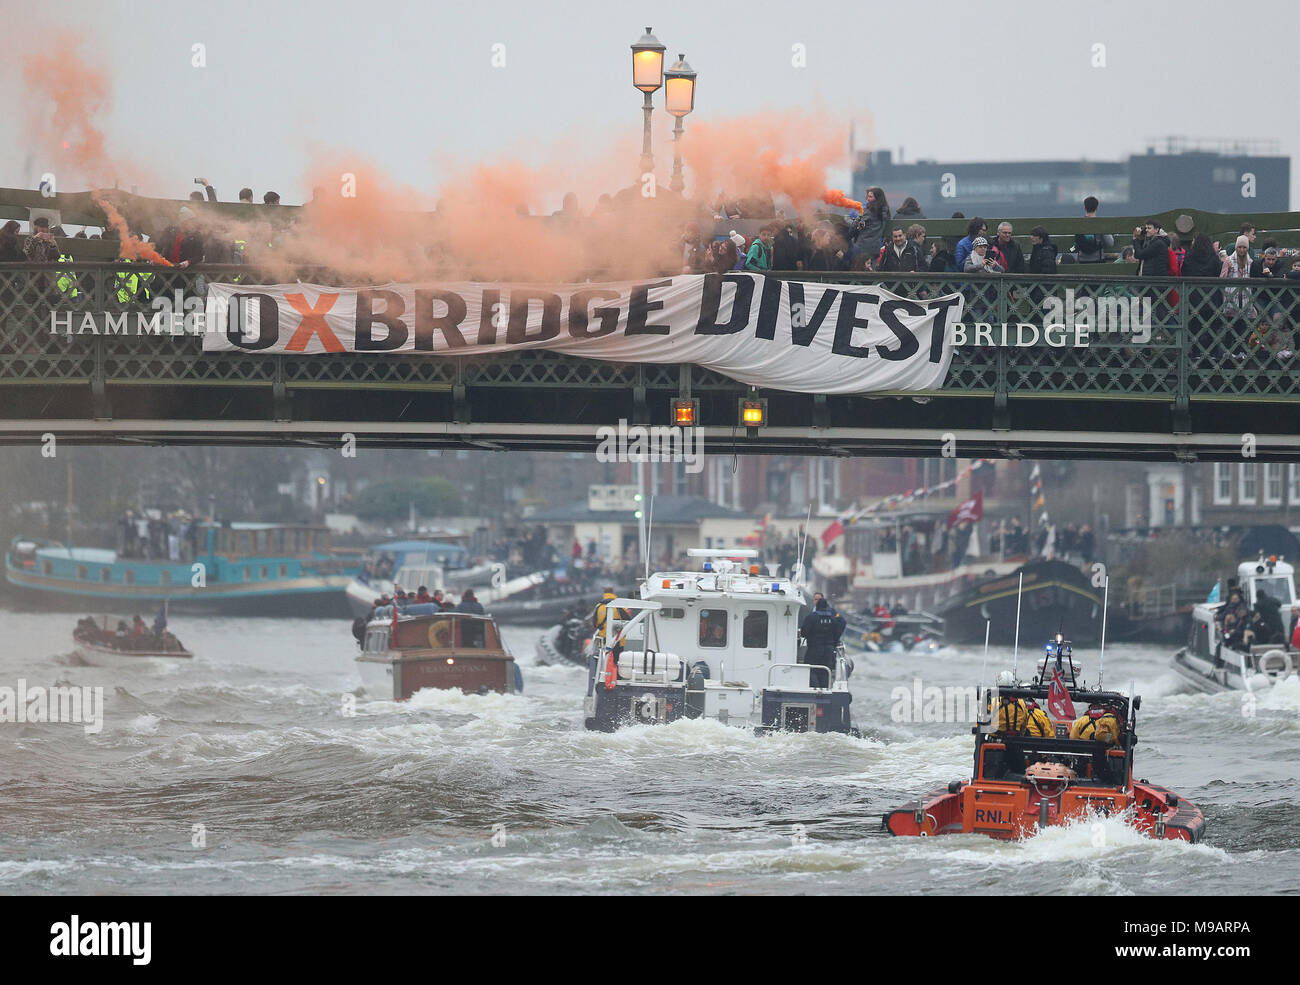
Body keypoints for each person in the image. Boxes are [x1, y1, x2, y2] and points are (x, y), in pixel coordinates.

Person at [800, 596, 845, 683]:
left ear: (817, 606)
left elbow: (803, 633)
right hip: (829, 650)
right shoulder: (833, 618)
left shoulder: (811, 617)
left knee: (811, 670)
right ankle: (824, 690)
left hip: (814, 649)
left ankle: (815, 689)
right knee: (825, 672)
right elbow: (840, 627)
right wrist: (834, 642)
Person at [848, 186, 891, 269]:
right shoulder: (885, 211)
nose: (867, 199)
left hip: (863, 246)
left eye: (870, 196)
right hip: (876, 247)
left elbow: (856, 226)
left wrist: (850, 220)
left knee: (859, 269)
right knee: (872, 269)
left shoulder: (868, 211)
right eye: (867, 196)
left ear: (877, 198)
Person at [1071, 197, 1114, 263]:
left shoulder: (1079, 224)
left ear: (1085, 208)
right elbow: (1110, 243)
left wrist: (1071, 249)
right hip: (1098, 261)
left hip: (1083, 262)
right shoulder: (1101, 224)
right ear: (1097, 208)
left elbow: (1074, 248)